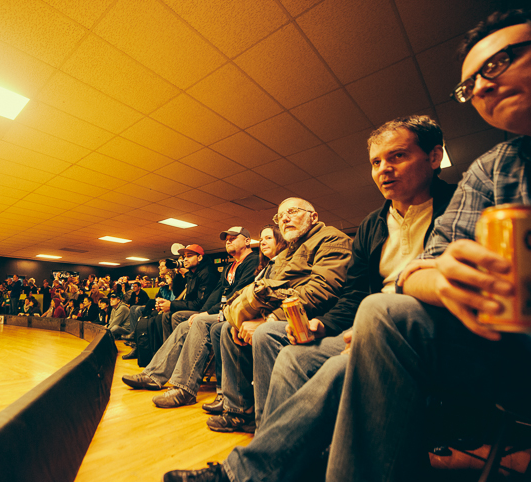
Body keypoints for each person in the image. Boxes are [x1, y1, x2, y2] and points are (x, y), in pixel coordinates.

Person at [162, 10, 531, 482]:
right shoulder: (491, 170)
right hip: (418, 328)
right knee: (295, 352)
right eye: (470, 83)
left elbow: (334, 284)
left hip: (446, 337)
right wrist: (324, 325)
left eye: (502, 60)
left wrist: (370, 313)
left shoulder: (450, 193)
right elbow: (399, 277)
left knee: (375, 318)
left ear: (433, 156)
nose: (484, 84)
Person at [209, 116, 457, 434]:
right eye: (376, 162)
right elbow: (354, 295)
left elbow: (323, 287)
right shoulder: (372, 224)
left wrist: (268, 316)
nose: (384, 169)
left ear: (434, 157)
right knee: (286, 355)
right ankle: (255, 423)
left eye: (397, 156)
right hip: (357, 326)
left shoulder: (458, 208)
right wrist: (323, 325)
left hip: (423, 330)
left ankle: (273, 446)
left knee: (275, 338)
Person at [121, 227, 260, 408]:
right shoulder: (229, 267)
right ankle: (153, 375)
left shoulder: (253, 261)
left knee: (200, 321)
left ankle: (185, 389)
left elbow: (239, 294)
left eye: (233, 238)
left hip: (239, 313)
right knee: (184, 324)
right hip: (223, 311)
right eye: (226, 239)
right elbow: (218, 293)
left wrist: (207, 314)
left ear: (248, 241)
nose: (228, 241)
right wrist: (204, 311)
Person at [202, 224, 288, 415]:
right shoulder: (264, 267)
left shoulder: (283, 264)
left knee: (219, 328)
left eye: (269, 238)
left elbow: (277, 298)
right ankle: (233, 399)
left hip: (273, 319)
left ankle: (237, 400)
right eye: (262, 238)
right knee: (220, 327)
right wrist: (221, 311)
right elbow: (237, 294)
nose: (263, 242)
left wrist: (265, 319)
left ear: (282, 241)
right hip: (249, 315)